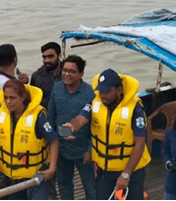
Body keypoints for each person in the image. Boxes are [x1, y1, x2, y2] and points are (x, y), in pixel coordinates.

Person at [63, 68, 151, 200]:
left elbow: (140, 144)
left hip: (131, 172)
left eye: (107, 91)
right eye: (101, 91)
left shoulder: (135, 109)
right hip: (105, 171)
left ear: (119, 90)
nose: (103, 95)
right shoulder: (96, 102)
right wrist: (69, 128)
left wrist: (126, 175)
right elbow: (79, 120)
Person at [0, 79, 58, 200]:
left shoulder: (38, 116)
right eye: (6, 97)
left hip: (36, 175)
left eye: (12, 98)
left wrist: (52, 168)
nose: (8, 102)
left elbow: (54, 140)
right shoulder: (4, 114)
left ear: (22, 97)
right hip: (13, 177)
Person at [47, 55, 97, 200]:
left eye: (72, 72)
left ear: (81, 74)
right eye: (65, 70)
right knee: (64, 185)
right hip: (62, 149)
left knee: (90, 188)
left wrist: (90, 149)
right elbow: (51, 117)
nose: (67, 74)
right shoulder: (57, 88)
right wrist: (51, 143)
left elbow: (96, 125)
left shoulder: (90, 93)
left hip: (83, 150)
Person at [0, 44, 29, 117]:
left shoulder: (3, 77)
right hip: (8, 124)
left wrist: (24, 82)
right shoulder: (2, 84)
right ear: (15, 60)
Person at [30, 42, 63, 108]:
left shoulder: (69, 72)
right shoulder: (37, 76)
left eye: (50, 56)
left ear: (59, 55)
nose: (47, 60)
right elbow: (32, 100)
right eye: (44, 57)